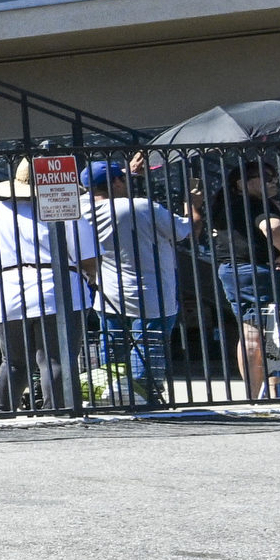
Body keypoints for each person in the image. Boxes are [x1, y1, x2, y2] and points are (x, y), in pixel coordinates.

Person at [0, 167, 98, 413]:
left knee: (12, 361)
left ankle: (3, 410)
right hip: (57, 287)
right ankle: (57, 409)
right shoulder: (66, 209)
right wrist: (92, 278)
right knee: (55, 358)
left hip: (10, 287)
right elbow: (87, 257)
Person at [82, 162, 193, 408]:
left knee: (113, 348)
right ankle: (145, 397)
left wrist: (127, 174)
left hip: (108, 292)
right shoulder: (142, 206)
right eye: (122, 178)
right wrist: (193, 206)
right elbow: (184, 230)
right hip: (152, 291)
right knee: (148, 347)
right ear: (116, 183)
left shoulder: (80, 211)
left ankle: (110, 395)